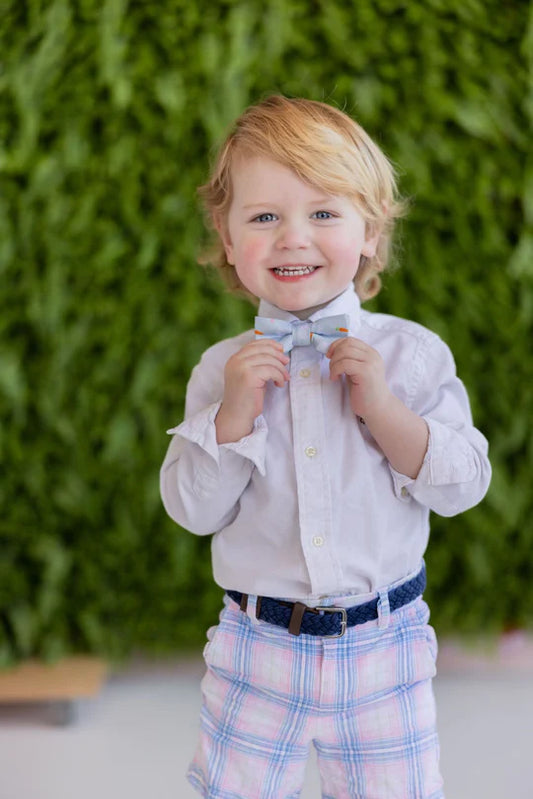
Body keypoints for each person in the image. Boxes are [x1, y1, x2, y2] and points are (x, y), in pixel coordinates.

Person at [160, 95, 491, 799]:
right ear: (225, 236)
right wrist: (233, 415)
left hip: (384, 649)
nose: (292, 237)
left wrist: (384, 410)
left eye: (322, 213)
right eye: (263, 216)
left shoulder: (410, 355)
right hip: (257, 649)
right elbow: (191, 509)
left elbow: (461, 484)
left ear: (369, 230)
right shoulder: (222, 369)